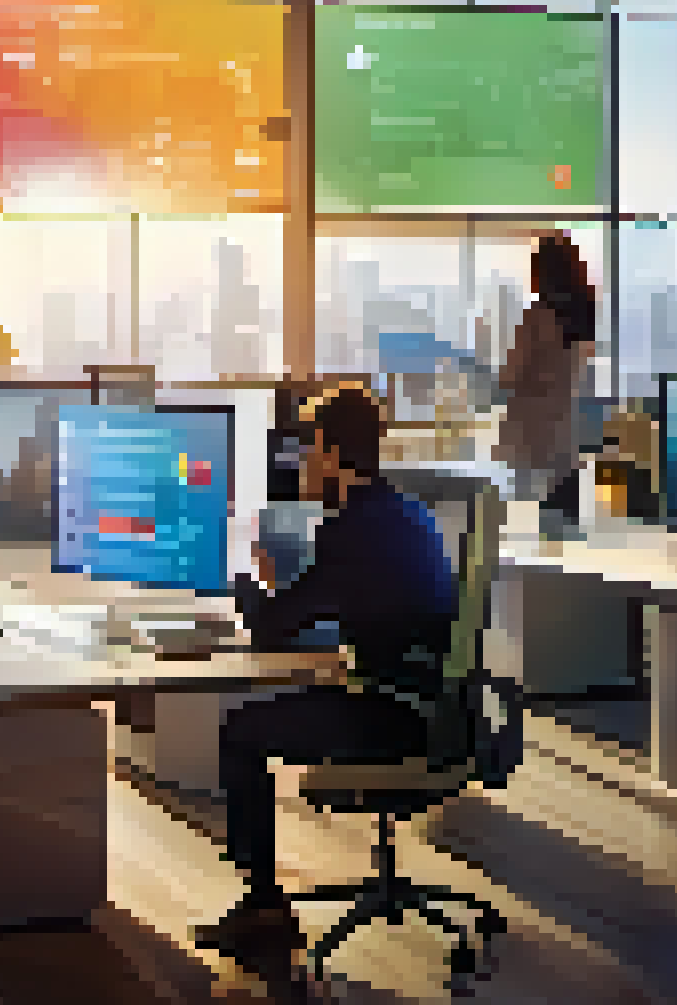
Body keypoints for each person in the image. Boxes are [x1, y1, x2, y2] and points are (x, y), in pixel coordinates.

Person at [193, 384, 464, 970]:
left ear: (336, 455)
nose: (302, 462)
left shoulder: (351, 530)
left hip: (395, 715)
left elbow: (272, 629)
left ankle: (263, 906)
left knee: (239, 732)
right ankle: (261, 903)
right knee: (287, 706)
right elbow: (344, 609)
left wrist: (245, 574)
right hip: (435, 706)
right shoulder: (405, 512)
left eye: (310, 448)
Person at [496, 234, 599, 524]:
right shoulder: (586, 317)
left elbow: (509, 377)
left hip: (531, 439)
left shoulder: (537, 318)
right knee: (561, 535)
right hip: (566, 439)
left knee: (519, 533)